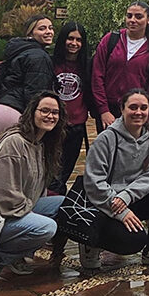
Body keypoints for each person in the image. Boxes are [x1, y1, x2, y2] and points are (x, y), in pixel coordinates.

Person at [81, 89, 149, 269]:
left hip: (131, 198)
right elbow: (93, 181)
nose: (138, 112)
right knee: (133, 241)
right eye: (133, 107)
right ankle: (91, 241)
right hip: (106, 203)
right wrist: (120, 208)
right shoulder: (107, 139)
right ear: (122, 109)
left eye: (143, 107)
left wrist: (127, 195)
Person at [0, 91, 66, 275]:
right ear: (32, 112)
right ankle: (1, 257)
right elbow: (3, 195)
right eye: (44, 110)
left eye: (55, 112)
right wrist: (30, 211)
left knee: (64, 203)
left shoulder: (42, 144)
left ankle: (19, 252)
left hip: (22, 207)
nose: (50, 116)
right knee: (46, 227)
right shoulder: (14, 143)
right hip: (2, 215)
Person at [91, 1, 149, 130]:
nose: (132, 20)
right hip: (109, 111)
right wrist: (103, 110)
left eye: (138, 16)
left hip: (136, 111)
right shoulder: (111, 40)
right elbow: (97, 76)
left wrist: (147, 116)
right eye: (129, 16)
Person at [49, 22, 95, 195]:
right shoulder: (51, 62)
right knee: (49, 172)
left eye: (78, 40)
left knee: (65, 172)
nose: (74, 43)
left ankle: (57, 204)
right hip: (52, 125)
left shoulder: (87, 65)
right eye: (70, 38)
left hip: (76, 125)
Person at [0, 15, 55, 137]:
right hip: (15, 113)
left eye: (50, 28)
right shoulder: (39, 57)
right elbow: (35, 94)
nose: (48, 32)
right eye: (42, 28)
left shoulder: (19, 50)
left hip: (1, 107)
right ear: (30, 33)